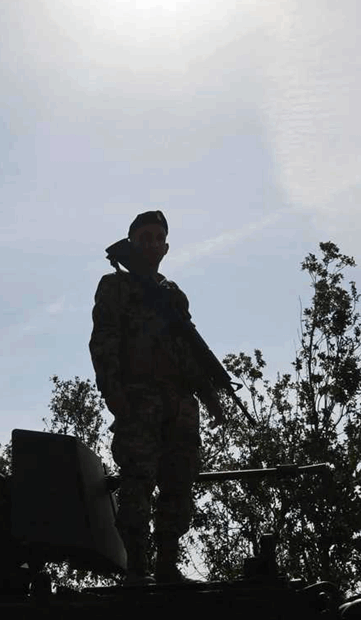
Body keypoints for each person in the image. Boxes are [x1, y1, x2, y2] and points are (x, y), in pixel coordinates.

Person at [89, 210, 225, 584]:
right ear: (131, 243)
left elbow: (188, 352)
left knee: (179, 484)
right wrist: (114, 393)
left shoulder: (172, 295)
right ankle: (136, 568)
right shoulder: (115, 286)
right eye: (144, 237)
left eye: (157, 238)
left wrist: (209, 394)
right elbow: (104, 341)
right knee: (138, 482)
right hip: (138, 400)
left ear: (166, 247)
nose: (151, 244)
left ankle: (167, 565)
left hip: (179, 405)